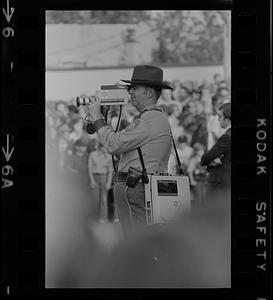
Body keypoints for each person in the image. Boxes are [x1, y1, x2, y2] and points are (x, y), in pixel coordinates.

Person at [86, 65, 173, 235]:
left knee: (136, 241)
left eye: (135, 88)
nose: (130, 92)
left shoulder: (148, 120)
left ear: (149, 93)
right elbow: (123, 152)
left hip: (136, 186)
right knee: (142, 240)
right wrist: (105, 122)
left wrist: (97, 118)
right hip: (140, 185)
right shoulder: (154, 117)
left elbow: (113, 145)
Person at [201, 102, 231, 210]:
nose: (218, 120)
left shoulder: (227, 137)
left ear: (227, 119)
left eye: (220, 117)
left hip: (222, 181)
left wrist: (213, 160)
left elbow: (206, 158)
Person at [88, 141, 113, 223]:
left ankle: (103, 218)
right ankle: (94, 218)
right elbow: (90, 168)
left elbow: (110, 170)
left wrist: (109, 182)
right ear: (100, 147)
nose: (106, 149)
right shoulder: (92, 155)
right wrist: (91, 180)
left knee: (104, 199)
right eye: (104, 148)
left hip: (104, 177)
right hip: (95, 176)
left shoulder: (108, 157)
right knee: (95, 199)